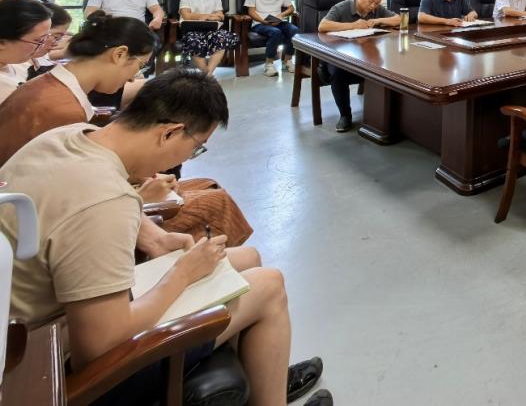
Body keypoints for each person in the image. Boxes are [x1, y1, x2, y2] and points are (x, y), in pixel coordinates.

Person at [0, 69, 331, 406]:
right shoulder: (104, 201)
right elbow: (99, 348)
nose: (186, 158)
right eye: (195, 148)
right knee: (269, 286)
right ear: (170, 132)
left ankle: (263, 376)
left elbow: (76, 207)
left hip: (31, 328)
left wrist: (156, 238)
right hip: (46, 370)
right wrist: (182, 274)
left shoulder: (68, 138)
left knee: (248, 259)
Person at [0, 15, 253, 244]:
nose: (133, 78)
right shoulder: (63, 111)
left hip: (46, 210)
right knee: (216, 204)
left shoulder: (51, 88)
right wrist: (140, 197)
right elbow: (74, 196)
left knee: (207, 186)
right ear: (120, 55)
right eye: (139, 65)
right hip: (53, 225)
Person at [318, 0, 400, 132]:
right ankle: (345, 115)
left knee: (389, 67)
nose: (373, 6)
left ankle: (386, 115)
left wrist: (378, 20)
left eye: (377, 3)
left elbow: (398, 19)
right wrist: (353, 25)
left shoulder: (377, 9)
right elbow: (323, 26)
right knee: (338, 73)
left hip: (366, 56)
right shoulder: (342, 7)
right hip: (340, 56)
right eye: (370, 1)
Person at [178, 0, 240, 77]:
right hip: (192, 30)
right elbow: (186, 15)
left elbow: (220, 16)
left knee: (223, 38)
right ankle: (208, 75)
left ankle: (207, 75)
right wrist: (210, 16)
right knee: (194, 42)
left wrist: (203, 16)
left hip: (211, 29)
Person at [244, 0, 297, 78]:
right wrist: (263, 21)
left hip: (278, 20)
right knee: (275, 32)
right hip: (260, 22)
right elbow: (251, 11)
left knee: (294, 30)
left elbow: (291, 8)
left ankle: (287, 61)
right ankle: (269, 64)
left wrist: (281, 15)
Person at [0, 0, 51, 104]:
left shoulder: (19, 65)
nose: (42, 46)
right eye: (39, 41)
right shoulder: (4, 88)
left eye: (46, 38)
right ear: (2, 43)